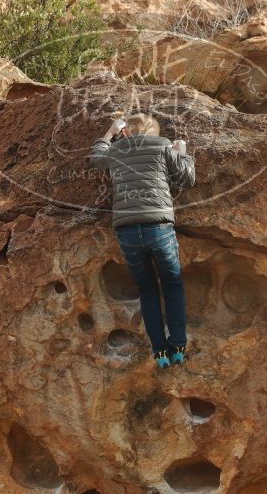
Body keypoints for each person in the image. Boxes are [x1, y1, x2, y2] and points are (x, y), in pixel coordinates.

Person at [89, 113, 196, 369]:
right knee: (172, 285)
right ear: (155, 134)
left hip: (127, 230)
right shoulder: (162, 147)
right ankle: (178, 346)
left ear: (125, 132)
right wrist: (182, 153)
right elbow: (188, 179)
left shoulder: (115, 151)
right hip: (158, 228)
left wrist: (108, 133)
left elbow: (96, 159)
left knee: (147, 290)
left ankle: (159, 351)